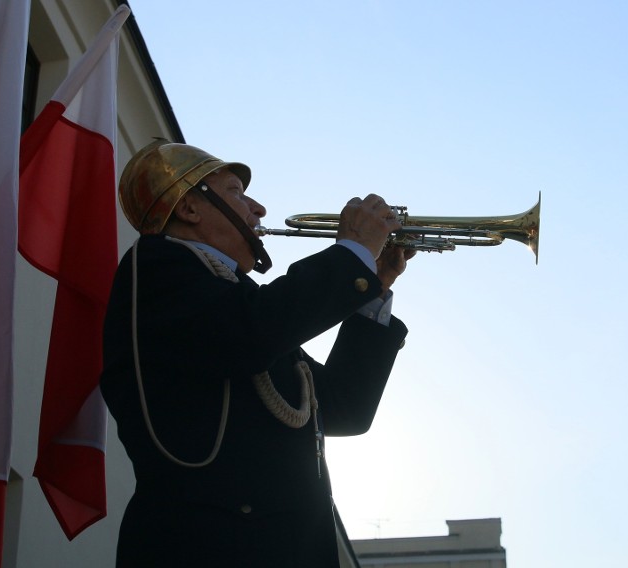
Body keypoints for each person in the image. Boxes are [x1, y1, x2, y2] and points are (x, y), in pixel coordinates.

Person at [100, 139, 413, 567]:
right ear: (190, 209)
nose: (258, 208)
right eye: (235, 193)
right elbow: (248, 332)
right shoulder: (158, 268)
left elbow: (342, 408)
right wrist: (352, 254)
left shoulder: (238, 304)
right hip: (208, 549)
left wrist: (370, 291)